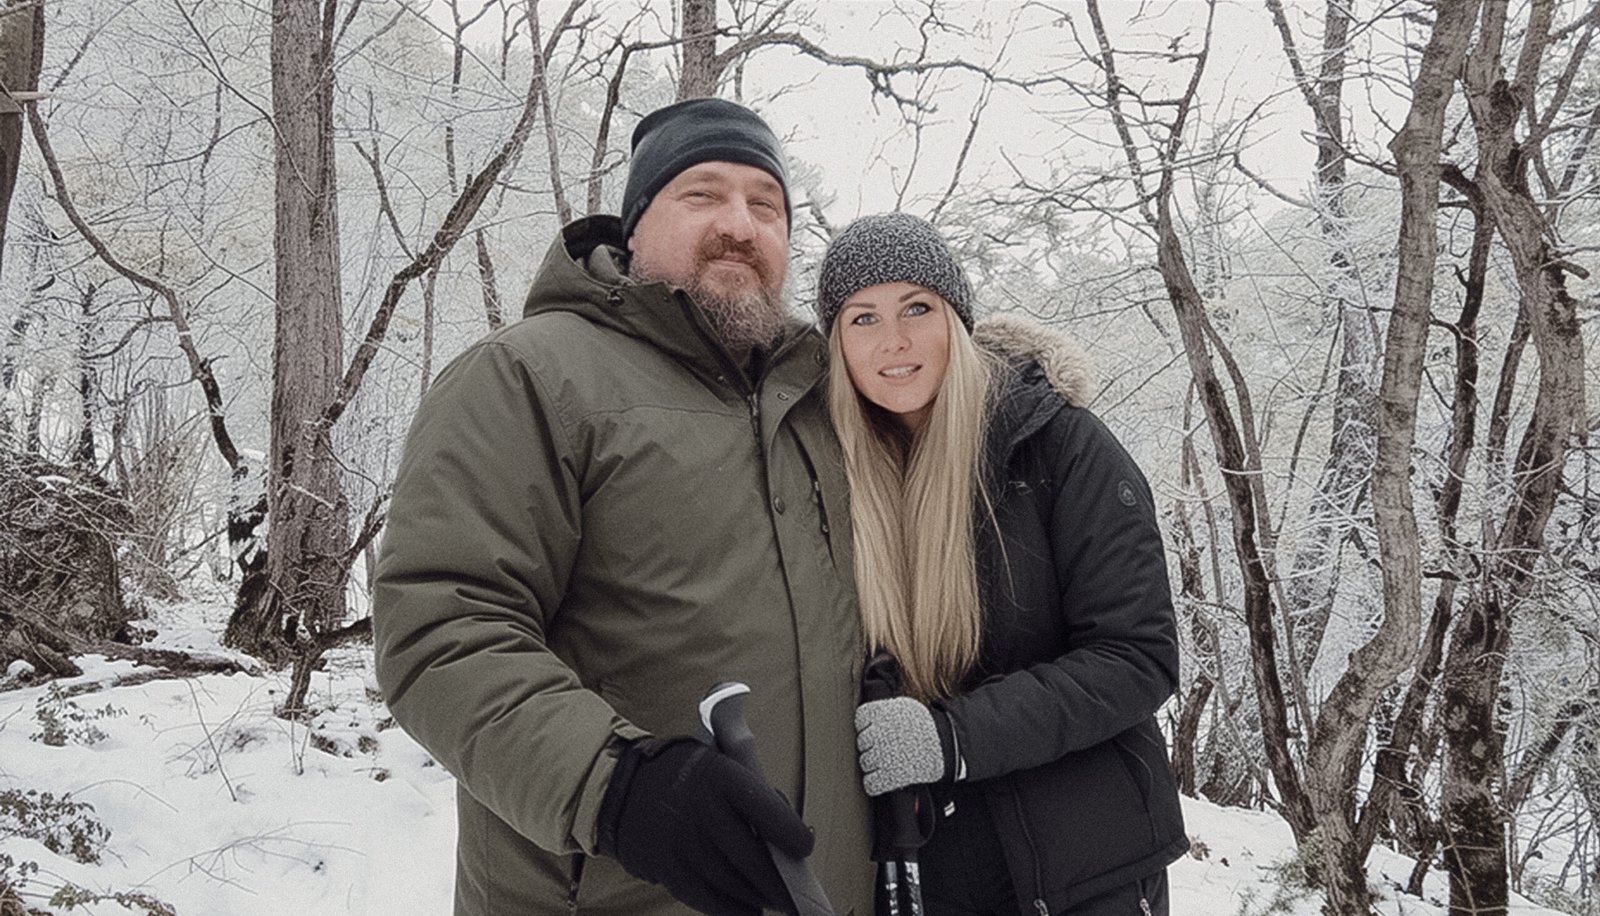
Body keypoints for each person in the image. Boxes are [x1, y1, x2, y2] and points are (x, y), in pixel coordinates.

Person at [372, 98, 873, 916]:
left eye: (766, 204)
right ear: (634, 226)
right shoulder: (530, 376)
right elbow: (443, 627)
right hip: (607, 889)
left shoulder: (816, 406)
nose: (739, 225)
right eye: (702, 194)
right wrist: (617, 786)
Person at [816, 213, 1189, 916]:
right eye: (862, 318)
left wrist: (952, 738)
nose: (893, 340)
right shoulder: (829, 475)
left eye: (916, 308)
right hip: (931, 873)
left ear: (954, 319)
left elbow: (1137, 656)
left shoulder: (1057, 445)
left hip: (1084, 865)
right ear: (836, 344)